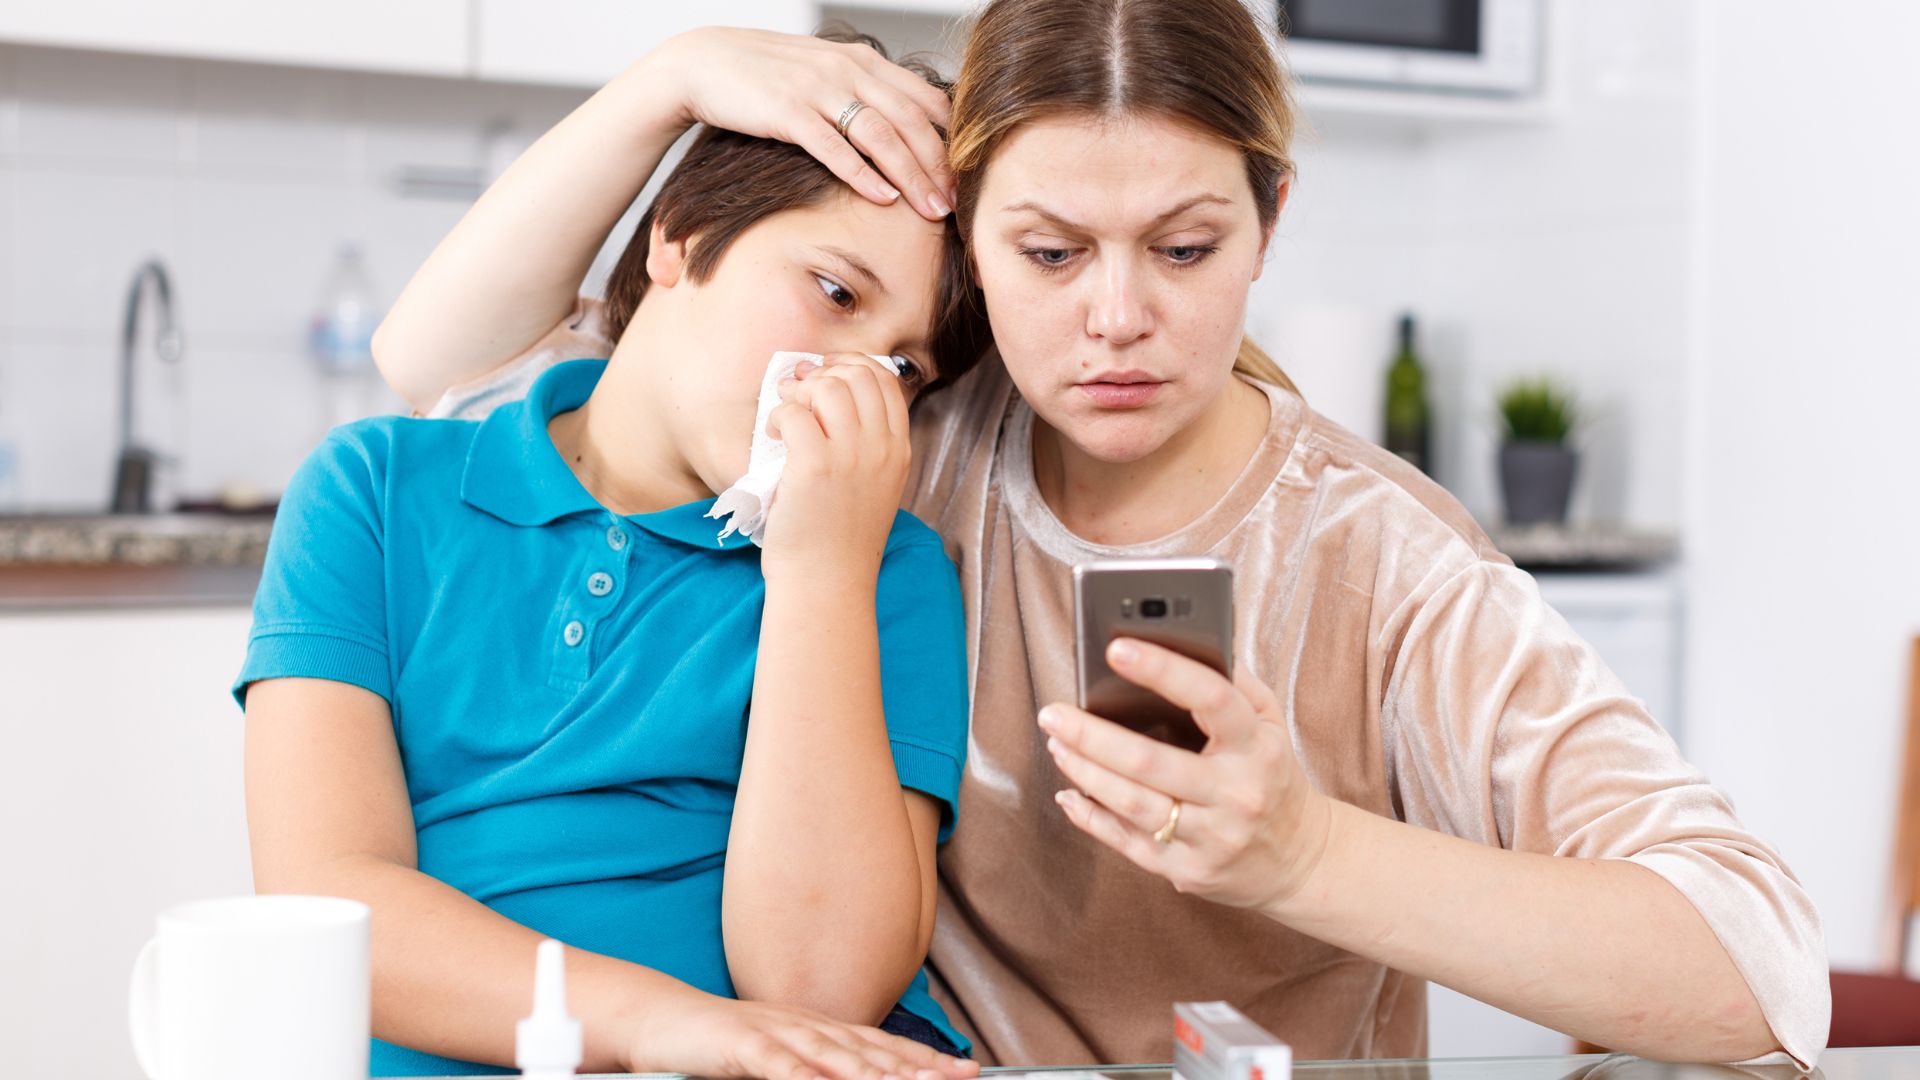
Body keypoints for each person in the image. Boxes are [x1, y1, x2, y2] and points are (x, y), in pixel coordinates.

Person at [372, 2, 1829, 1070]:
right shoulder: (889, 440)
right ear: (966, 249)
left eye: (1186, 251)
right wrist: (669, 80)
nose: (1118, 318)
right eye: (1049, 253)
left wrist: (1308, 856)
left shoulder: (1381, 557)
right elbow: (434, 364)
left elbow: (1761, 978)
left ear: (1270, 223)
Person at [235, 35, 993, 1079]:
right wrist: (662, 1024)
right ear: (677, 239)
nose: (848, 383)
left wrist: (819, 573)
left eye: (903, 365)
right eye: (832, 292)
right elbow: (331, 904)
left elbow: (822, 994)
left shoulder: (884, 570)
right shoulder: (374, 490)